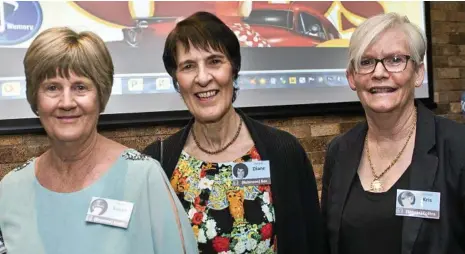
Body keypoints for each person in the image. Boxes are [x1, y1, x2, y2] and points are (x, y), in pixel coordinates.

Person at [0, 27, 198, 254]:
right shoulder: (11, 189)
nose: (66, 102)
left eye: (80, 87)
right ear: (35, 98)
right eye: (52, 88)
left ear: (101, 96)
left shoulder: (144, 177)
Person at [143, 11, 325, 254]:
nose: (203, 77)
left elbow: (312, 241)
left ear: (234, 69)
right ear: (176, 80)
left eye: (215, 61)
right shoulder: (158, 164)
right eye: (188, 66)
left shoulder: (285, 152)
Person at [321, 12, 465, 254]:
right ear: (352, 77)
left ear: (418, 73)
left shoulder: (458, 147)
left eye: (395, 59)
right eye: (366, 62)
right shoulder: (340, 151)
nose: (379, 73)